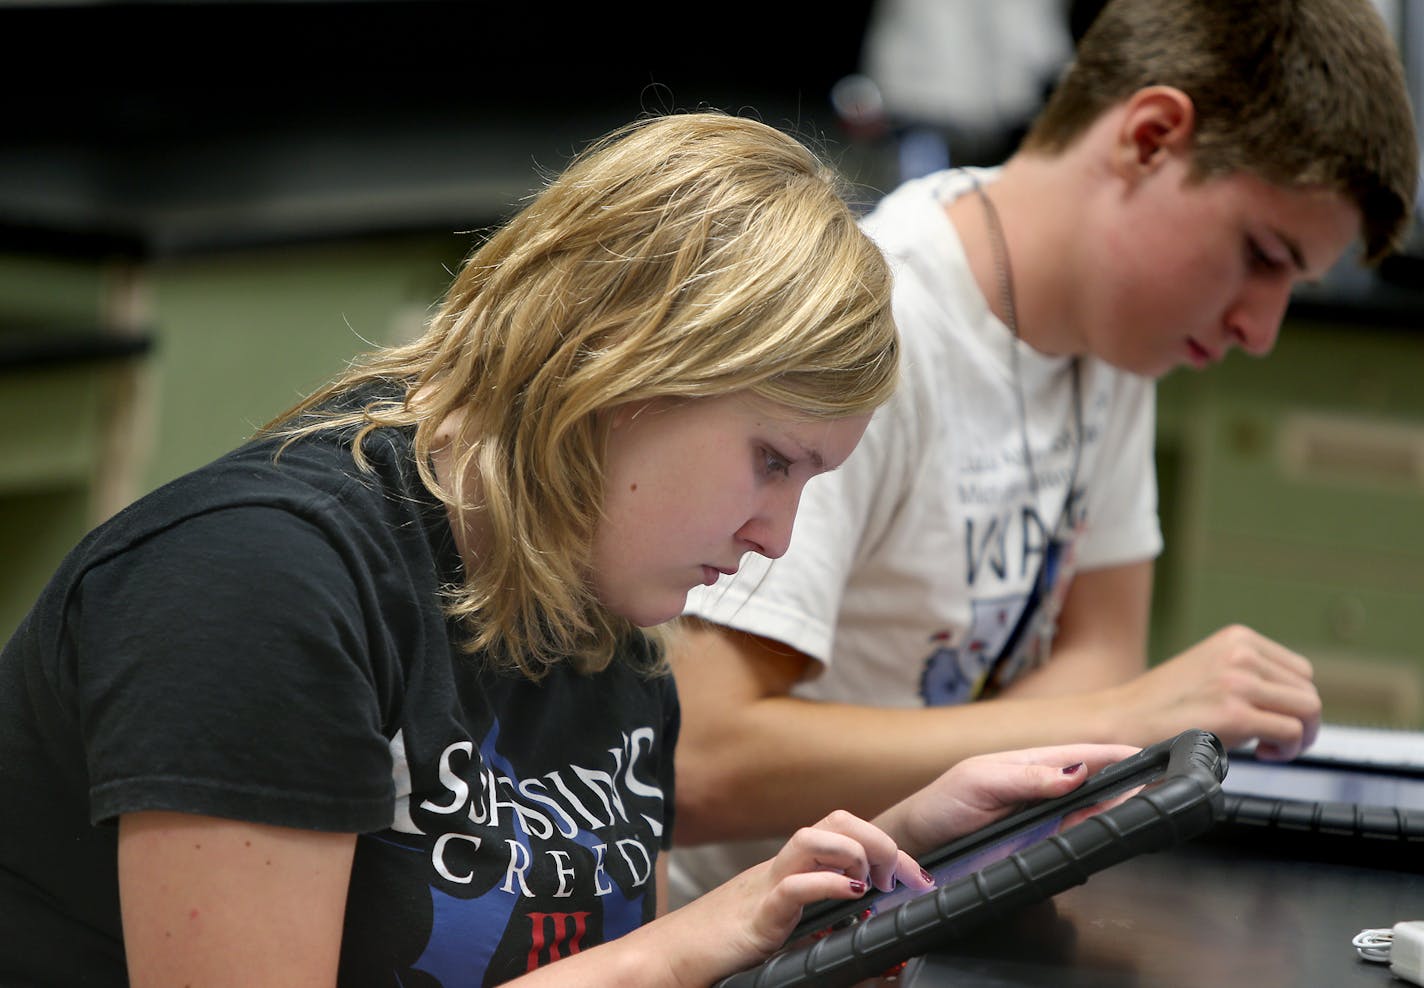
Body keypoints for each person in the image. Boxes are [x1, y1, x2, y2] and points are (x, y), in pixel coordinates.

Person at [0, 111, 1135, 987]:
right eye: (770, 460)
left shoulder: (608, 602)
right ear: (621, 369)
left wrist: (872, 864)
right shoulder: (257, 587)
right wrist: (687, 945)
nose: (774, 536)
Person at [667, 0, 1420, 905]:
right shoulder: (877, 325)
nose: (1260, 330)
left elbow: (1103, 644)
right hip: (760, 937)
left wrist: (1108, 706)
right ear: (1149, 138)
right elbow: (697, 762)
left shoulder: (1118, 336)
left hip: (933, 904)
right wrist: (1124, 717)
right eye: (1260, 255)